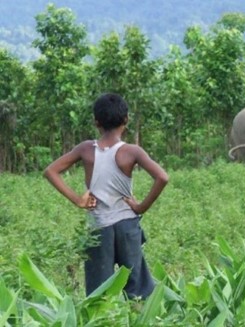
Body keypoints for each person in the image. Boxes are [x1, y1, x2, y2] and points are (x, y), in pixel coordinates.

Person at [44, 93, 169, 299]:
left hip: (98, 227)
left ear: (96, 122)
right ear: (126, 120)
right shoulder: (132, 151)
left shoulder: (85, 149)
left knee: (98, 293)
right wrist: (140, 207)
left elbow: (51, 171)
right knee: (138, 290)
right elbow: (162, 177)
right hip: (127, 226)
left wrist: (78, 199)